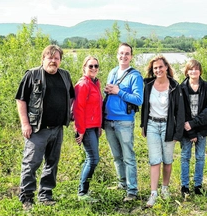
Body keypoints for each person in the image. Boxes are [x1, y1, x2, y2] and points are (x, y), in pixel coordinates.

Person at [15, 45, 75, 210]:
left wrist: (70, 115)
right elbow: (21, 100)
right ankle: (26, 197)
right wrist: (25, 124)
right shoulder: (32, 75)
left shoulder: (65, 75)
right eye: (50, 57)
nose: (53, 61)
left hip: (57, 128)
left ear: (60, 60)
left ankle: (45, 195)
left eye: (56, 58)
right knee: (31, 163)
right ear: (43, 59)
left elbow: (72, 97)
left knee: (52, 162)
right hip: (37, 129)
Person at [140, 55, 185, 207]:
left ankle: (165, 188)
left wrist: (178, 133)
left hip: (168, 126)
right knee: (154, 160)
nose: (158, 70)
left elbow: (180, 111)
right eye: (155, 68)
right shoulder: (148, 86)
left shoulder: (174, 86)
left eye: (160, 67)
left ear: (166, 67)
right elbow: (144, 107)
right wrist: (143, 125)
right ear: (152, 71)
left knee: (167, 160)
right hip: (152, 125)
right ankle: (153, 193)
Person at [103, 43, 144, 202]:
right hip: (109, 119)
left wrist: (118, 92)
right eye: (121, 53)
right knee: (116, 156)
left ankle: (132, 190)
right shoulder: (113, 72)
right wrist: (108, 90)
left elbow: (138, 99)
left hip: (124, 121)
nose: (124, 56)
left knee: (128, 157)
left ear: (131, 56)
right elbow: (110, 92)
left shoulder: (135, 76)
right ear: (117, 54)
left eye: (127, 54)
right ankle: (122, 183)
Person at [179, 59, 207, 198]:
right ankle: (185, 186)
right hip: (185, 129)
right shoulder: (181, 88)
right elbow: (180, 111)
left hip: (202, 128)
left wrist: (194, 125)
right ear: (187, 72)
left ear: (200, 71)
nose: (193, 71)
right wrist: (190, 130)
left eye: (196, 69)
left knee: (200, 157)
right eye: (190, 69)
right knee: (185, 157)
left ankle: (198, 185)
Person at [73, 56, 103, 203]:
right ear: (84, 67)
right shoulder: (83, 84)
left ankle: (83, 191)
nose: (93, 69)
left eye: (96, 66)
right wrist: (81, 130)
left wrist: (99, 125)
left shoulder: (95, 83)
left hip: (94, 127)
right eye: (90, 66)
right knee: (93, 159)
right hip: (86, 128)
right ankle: (82, 192)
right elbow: (78, 109)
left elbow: (97, 107)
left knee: (90, 159)